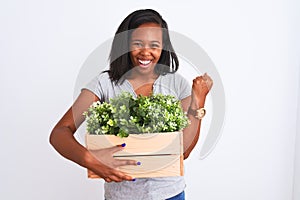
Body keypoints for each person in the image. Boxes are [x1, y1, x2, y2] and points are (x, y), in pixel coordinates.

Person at [50, 9, 213, 200]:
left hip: (171, 194)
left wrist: (198, 101)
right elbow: (60, 132)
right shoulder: (105, 84)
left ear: (163, 48)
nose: (146, 52)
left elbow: (183, 152)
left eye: (154, 45)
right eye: (137, 44)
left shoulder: (176, 84)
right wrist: (90, 159)